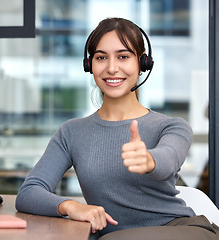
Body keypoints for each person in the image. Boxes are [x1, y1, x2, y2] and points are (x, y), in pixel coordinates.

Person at [15, 17, 219, 239]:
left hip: (183, 232)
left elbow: (168, 159)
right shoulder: (71, 132)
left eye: (123, 57)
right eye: (101, 57)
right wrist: (70, 206)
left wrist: (150, 160)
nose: (112, 68)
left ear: (142, 65)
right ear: (89, 65)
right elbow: (28, 193)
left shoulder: (171, 126)